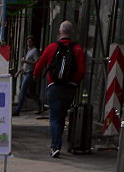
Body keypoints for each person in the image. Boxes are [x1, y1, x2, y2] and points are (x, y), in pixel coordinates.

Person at [33, 21, 86, 158]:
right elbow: (81, 70)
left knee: (55, 117)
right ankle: (57, 143)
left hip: (54, 87)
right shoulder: (78, 49)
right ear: (72, 33)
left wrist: (35, 75)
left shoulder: (52, 47)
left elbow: (40, 64)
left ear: (59, 32)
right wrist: (76, 83)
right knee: (62, 115)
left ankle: (55, 146)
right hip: (69, 88)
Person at [13, 35, 40, 116]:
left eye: (30, 41)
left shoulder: (34, 51)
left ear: (33, 42)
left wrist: (26, 61)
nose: (28, 43)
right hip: (25, 73)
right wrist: (18, 72)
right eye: (27, 41)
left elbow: (36, 62)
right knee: (30, 92)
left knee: (22, 90)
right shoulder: (28, 51)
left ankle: (18, 110)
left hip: (29, 73)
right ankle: (40, 105)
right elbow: (24, 65)